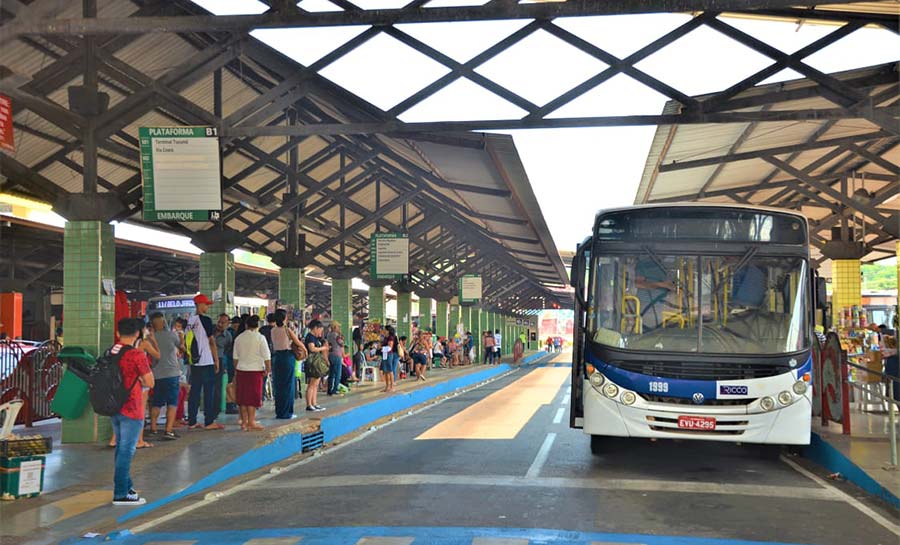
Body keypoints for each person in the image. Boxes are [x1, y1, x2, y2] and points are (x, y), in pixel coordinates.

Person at [109, 318, 154, 506]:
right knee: (127, 450)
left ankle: (127, 487)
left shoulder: (111, 351)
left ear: (118, 333)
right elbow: (149, 382)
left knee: (121, 448)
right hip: (132, 407)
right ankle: (120, 493)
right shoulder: (137, 355)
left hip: (113, 406)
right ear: (137, 334)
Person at [186, 294, 222, 430]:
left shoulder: (190, 320)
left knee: (194, 392)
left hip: (194, 362)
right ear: (200, 305)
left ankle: (192, 421)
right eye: (206, 304)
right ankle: (209, 421)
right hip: (206, 361)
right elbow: (212, 342)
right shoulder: (205, 320)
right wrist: (216, 360)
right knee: (209, 392)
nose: (207, 307)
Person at [147, 312, 184, 440]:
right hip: (172, 374)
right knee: (172, 403)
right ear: (163, 323)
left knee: (156, 402)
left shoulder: (149, 339)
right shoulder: (172, 335)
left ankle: (153, 428)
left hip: (156, 374)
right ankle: (168, 430)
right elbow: (182, 347)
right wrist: (182, 338)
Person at [233, 315, 271, 431]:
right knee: (253, 398)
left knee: (243, 397)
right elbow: (267, 356)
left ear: (246, 325)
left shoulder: (239, 338)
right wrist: (268, 370)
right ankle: (251, 421)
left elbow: (235, 358)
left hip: (241, 371)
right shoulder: (260, 338)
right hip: (255, 372)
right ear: (257, 325)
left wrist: (237, 370)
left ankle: (244, 422)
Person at [271, 309, 303, 419]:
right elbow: (297, 342)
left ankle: (279, 412)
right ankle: (287, 413)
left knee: (278, 386)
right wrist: (305, 350)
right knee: (288, 385)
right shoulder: (287, 330)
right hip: (287, 357)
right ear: (285, 318)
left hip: (276, 358)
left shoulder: (273, 330)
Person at [304, 320, 328, 412]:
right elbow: (312, 348)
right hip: (312, 363)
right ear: (315, 328)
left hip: (316, 362)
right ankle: (309, 404)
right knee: (312, 384)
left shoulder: (315, 337)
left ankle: (314, 403)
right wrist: (323, 348)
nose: (320, 333)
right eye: (320, 330)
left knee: (316, 384)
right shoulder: (310, 337)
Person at [214, 314, 235, 415]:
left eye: (223, 323)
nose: (220, 324)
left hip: (220, 360)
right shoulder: (210, 332)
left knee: (218, 385)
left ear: (227, 324)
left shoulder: (228, 336)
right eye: (219, 322)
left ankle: (216, 409)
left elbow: (228, 348)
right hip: (208, 360)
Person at [326, 321, 346, 396]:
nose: (339, 328)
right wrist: (341, 336)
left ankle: (329, 389)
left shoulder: (328, 335)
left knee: (331, 373)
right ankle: (335, 389)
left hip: (330, 355)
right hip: (337, 355)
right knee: (338, 374)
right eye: (338, 326)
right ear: (334, 327)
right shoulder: (336, 335)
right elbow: (341, 343)